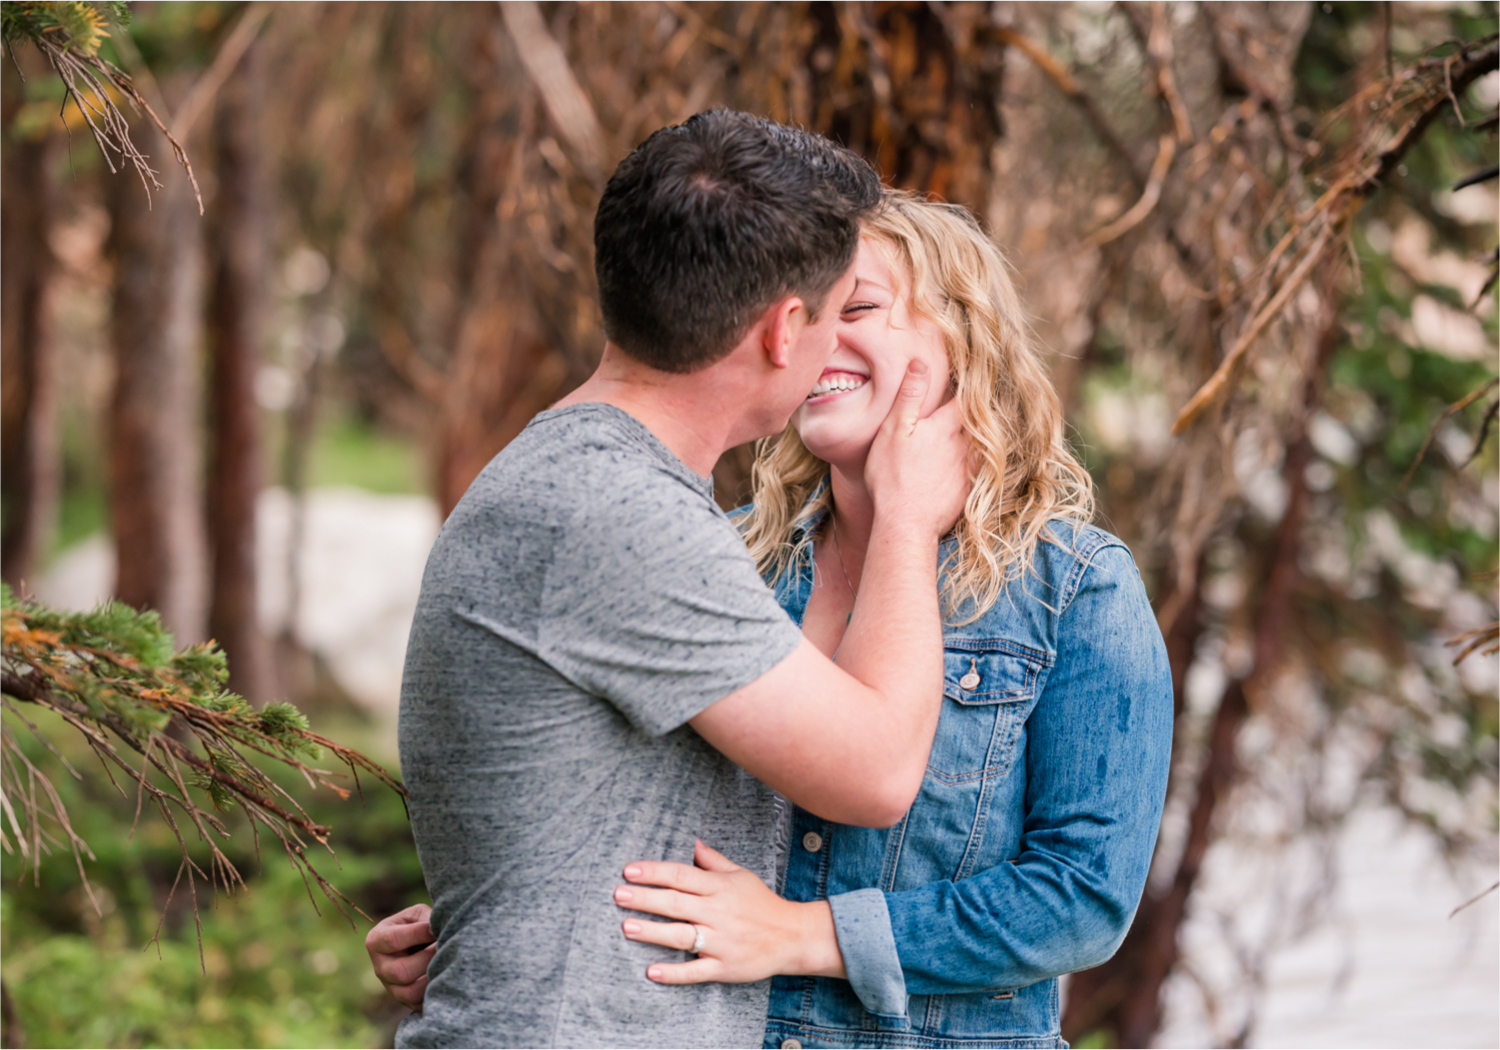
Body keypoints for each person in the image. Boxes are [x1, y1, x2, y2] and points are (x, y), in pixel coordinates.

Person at [371, 191, 1174, 1049]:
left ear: (963, 336)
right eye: (815, 315)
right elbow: (625, 802)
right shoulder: (725, 559)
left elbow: (1082, 900)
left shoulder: (1076, 591)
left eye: (858, 308)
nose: (823, 339)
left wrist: (804, 934)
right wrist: (503, 927)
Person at [387, 111, 970, 1050]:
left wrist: (486, 918)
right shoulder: (614, 512)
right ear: (786, 331)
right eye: (837, 311)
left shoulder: (599, 486)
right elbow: (875, 774)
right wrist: (906, 520)